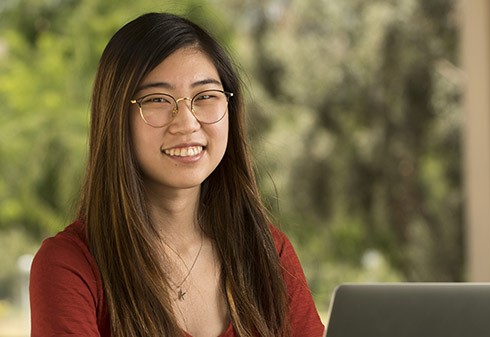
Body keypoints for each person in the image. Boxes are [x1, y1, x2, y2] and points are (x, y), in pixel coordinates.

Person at [29, 12, 324, 337]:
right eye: (156, 99)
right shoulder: (69, 265)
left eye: (205, 97)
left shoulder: (269, 252)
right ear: (116, 118)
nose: (186, 122)